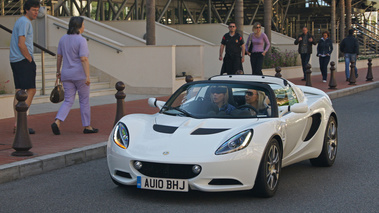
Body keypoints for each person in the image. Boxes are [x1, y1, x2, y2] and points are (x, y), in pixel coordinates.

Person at [51, 17, 98, 135]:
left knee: (68, 100)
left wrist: (58, 71)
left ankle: (57, 121)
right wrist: (87, 76)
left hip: (66, 74)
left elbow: (59, 56)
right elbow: (84, 58)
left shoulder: (63, 39)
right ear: (79, 26)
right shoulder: (81, 40)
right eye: (83, 24)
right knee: (84, 100)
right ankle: (87, 126)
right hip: (80, 74)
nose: (84, 27)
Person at [9, 0, 40, 134]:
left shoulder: (21, 21)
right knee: (31, 90)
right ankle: (21, 122)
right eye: (33, 10)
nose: (36, 13)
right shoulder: (25, 22)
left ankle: (18, 123)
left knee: (19, 91)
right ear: (26, 10)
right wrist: (29, 58)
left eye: (37, 10)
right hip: (22, 60)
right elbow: (21, 43)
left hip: (16, 60)